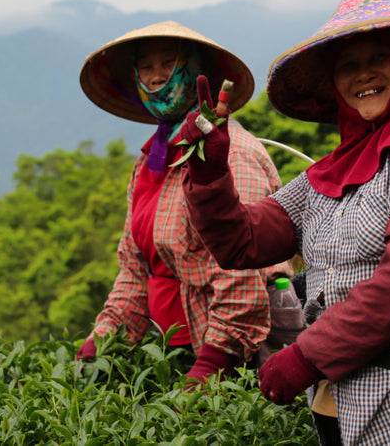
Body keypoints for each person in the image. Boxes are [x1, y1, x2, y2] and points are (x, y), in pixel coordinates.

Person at [180, 0, 390, 445]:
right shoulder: (333, 170)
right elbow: (243, 241)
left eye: (380, 57)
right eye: (348, 65)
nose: (363, 74)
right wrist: (210, 172)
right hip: (348, 407)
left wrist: (307, 355)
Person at [75, 21, 293, 385]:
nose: (156, 76)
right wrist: (104, 339)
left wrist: (212, 363)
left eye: (169, 62)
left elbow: (242, 275)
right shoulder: (151, 160)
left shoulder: (232, 153)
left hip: (236, 355)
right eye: (146, 66)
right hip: (172, 350)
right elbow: (135, 267)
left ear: (197, 71)